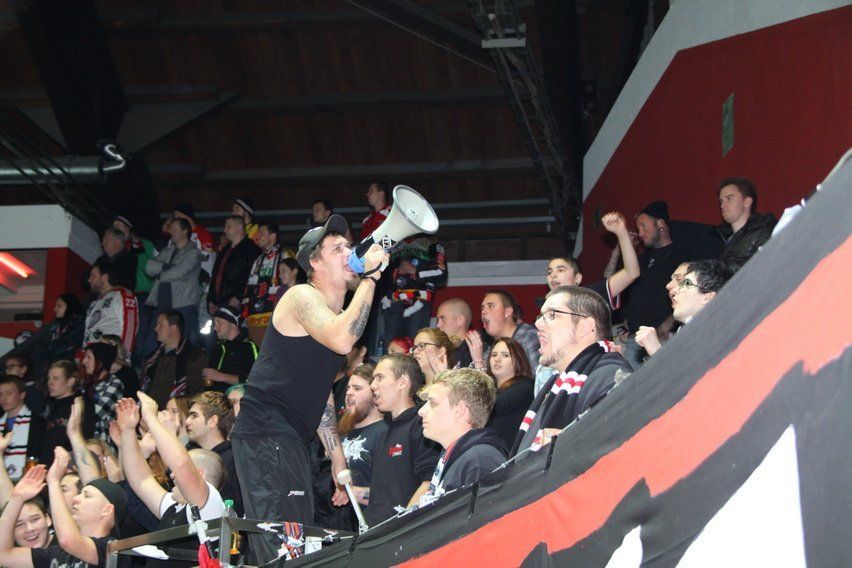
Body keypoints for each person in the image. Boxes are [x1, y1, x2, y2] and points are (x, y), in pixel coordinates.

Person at [229, 214, 388, 565]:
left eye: (349, 246)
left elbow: (321, 394)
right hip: (266, 433)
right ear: (315, 263)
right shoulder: (300, 295)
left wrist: (336, 456)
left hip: (289, 439)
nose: (349, 253)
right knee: (285, 548)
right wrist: (372, 277)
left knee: (297, 544)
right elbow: (344, 339)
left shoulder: (331, 316)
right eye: (338, 248)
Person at [514, 286, 632, 455]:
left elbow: (617, 449)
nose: (538, 323)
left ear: (585, 327)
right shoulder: (555, 386)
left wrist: (567, 446)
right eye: (540, 316)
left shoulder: (611, 377)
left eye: (552, 315)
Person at [116, 393, 224, 568]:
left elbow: (181, 465)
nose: (172, 475)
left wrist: (151, 417)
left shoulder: (209, 506)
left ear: (200, 474)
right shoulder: (175, 507)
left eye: (177, 473)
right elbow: (140, 479)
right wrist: (128, 430)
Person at [0, 451, 127, 568]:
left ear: (106, 510)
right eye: (79, 494)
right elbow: (3, 555)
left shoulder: (113, 548)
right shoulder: (56, 552)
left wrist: (54, 482)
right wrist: (17, 499)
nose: (76, 498)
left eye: (87, 495)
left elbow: (68, 540)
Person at [365, 354, 440, 526]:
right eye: (373, 379)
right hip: (377, 534)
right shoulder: (384, 430)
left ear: (403, 383)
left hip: (403, 535)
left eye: (380, 378)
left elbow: (429, 483)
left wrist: (402, 528)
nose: (373, 385)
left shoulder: (422, 425)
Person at [418, 368, 506, 504]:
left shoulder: (479, 462)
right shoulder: (461, 457)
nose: (421, 411)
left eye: (433, 403)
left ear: (459, 410)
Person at [619, 201, 690, 369]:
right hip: (635, 339)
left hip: (661, 339)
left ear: (660, 224)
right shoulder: (643, 260)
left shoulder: (680, 256)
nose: (640, 233)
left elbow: (689, 295)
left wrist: (667, 325)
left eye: (643, 226)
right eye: (638, 228)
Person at [636, 260, 734, 356]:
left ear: (707, 298)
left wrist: (655, 350)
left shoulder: (716, 335)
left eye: (686, 283)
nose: (674, 290)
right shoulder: (687, 331)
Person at [144, 217, 203, 350]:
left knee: (181, 344)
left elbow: (180, 272)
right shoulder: (167, 250)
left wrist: (161, 272)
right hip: (162, 304)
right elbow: (149, 267)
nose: (171, 232)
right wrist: (168, 268)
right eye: (171, 229)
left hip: (183, 305)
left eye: (175, 229)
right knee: (151, 345)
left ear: (185, 231)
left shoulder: (194, 252)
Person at [380, 235, 448, 346]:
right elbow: (374, 263)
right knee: (391, 347)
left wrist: (416, 271)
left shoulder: (431, 242)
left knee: (415, 344)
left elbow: (441, 274)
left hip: (418, 302)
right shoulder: (391, 238)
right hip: (393, 302)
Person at [338, 364, 387, 512]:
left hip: (371, 520)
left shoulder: (385, 433)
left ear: (375, 394)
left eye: (357, 388)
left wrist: (350, 492)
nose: (349, 393)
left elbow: (393, 493)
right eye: (348, 388)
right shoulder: (343, 434)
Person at [184, 392, 241, 515]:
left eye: (194, 416)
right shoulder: (193, 457)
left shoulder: (234, 460)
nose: (187, 421)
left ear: (212, 421)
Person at [142, 312, 206, 409]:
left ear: (173, 328)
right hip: (150, 412)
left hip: (177, 413)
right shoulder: (151, 359)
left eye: (160, 325)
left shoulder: (195, 357)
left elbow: (198, 392)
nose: (155, 329)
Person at [40, 362, 95, 467]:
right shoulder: (50, 407)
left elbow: (85, 436)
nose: (50, 383)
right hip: (49, 465)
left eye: (56, 378)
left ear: (70, 381)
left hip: (71, 465)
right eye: (49, 378)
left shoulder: (81, 404)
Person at [717, 177, 777, 271]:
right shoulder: (721, 239)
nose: (722, 205)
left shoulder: (763, 232)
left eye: (729, 198)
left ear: (747, 202)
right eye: (721, 201)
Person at [207, 216, 260, 316]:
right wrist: (210, 299)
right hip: (219, 303)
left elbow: (252, 276)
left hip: (235, 303)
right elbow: (215, 276)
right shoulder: (225, 250)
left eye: (228, 226)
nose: (225, 230)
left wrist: (239, 297)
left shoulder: (251, 249)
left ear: (239, 227)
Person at [84, 258, 139, 354]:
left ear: (104, 277)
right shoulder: (94, 303)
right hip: (92, 356)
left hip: (111, 354)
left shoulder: (123, 294)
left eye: (93, 276)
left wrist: (125, 357)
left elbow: (130, 327)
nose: (89, 280)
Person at [486, 338, 534, 448]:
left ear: (518, 360)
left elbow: (493, 405)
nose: (497, 359)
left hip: (510, 454)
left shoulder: (525, 386)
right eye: (494, 355)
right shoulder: (492, 388)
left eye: (505, 355)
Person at [475, 290, 540, 371]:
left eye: (491, 306)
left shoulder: (529, 337)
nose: (483, 312)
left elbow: (540, 376)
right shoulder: (489, 350)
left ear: (507, 312)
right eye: (482, 308)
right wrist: (478, 361)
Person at [241, 222, 282, 346]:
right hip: (255, 315)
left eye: (262, 233)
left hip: (276, 314)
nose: (258, 236)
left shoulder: (284, 256)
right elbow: (250, 286)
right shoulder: (258, 260)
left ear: (273, 236)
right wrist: (245, 310)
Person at [201, 307, 258, 394]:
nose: (215, 328)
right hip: (214, 400)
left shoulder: (248, 347)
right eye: (214, 323)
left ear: (233, 324)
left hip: (237, 400)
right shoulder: (218, 349)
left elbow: (254, 380)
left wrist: (220, 376)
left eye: (219, 322)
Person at [0, 377, 45, 481]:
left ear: (22, 395)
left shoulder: (36, 422)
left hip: (25, 478)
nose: (4, 398)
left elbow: (37, 452)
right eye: (0, 394)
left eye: (9, 393)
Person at [80, 344, 124, 444]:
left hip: (100, 442)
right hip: (83, 438)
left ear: (100, 362)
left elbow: (97, 412)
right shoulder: (87, 383)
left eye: (89, 357)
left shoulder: (114, 383)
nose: (84, 362)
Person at [113, 214, 156, 302]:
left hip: (142, 290)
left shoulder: (145, 243)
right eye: (114, 226)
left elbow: (156, 264)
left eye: (118, 225)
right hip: (121, 292)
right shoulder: (115, 247)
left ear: (127, 227)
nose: (115, 228)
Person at [410, 328, 455, 400]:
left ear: (441, 351)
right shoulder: (414, 389)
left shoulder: (454, 387)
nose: (415, 351)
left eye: (421, 346)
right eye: (414, 348)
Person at [44, 295, 85, 366]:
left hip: (69, 364)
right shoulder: (56, 323)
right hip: (54, 363)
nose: (55, 309)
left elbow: (69, 343)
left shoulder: (78, 322)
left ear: (70, 307)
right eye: (55, 306)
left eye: (59, 306)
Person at [435, 298, 473, 368]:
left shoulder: (473, 352)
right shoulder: (440, 351)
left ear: (460, 320)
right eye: (438, 320)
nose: (438, 325)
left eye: (443, 318)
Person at [97, 227, 137, 292]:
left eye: (106, 241)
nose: (102, 243)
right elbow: (86, 280)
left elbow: (125, 284)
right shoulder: (101, 259)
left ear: (117, 243)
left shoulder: (129, 260)